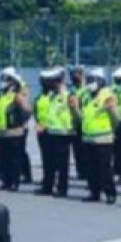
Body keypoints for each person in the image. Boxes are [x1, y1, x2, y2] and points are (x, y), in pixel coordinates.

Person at [80, 68, 119, 204]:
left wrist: (112, 131)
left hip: (103, 138)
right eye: (89, 80)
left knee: (104, 167)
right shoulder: (86, 95)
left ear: (100, 81)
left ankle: (110, 192)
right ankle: (94, 191)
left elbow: (115, 118)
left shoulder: (107, 96)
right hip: (88, 137)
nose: (90, 83)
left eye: (92, 80)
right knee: (91, 167)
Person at [39, 67, 73, 198]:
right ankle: (47, 186)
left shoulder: (68, 95)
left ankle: (62, 188)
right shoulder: (52, 96)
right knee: (49, 162)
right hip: (51, 131)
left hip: (63, 133)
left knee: (62, 164)